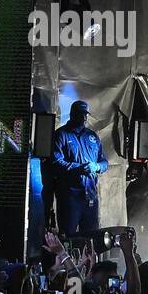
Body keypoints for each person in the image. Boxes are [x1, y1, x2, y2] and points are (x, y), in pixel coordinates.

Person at [50, 99, 108, 235]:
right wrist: (79, 168)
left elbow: (104, 162)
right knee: (68, 237)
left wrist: (97, 166)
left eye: (86, 114)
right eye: (80, 114)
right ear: (72, 114)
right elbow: (56, 162)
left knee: (91, 238)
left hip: (91, 197)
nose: (84, 117)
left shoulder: (92, 136)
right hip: (69, 197)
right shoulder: (61, 135)